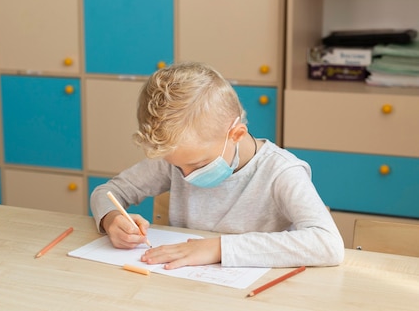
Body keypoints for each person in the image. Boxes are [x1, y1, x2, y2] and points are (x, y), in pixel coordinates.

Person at [90, 61, 344, 269]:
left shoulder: (281, 172)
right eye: (178, 167)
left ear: (235, 135)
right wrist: (112, 220)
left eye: (198, 164)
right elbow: (107, 192)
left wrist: (218, 248)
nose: (186, 176)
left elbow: (328, 244)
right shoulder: (177, 160)